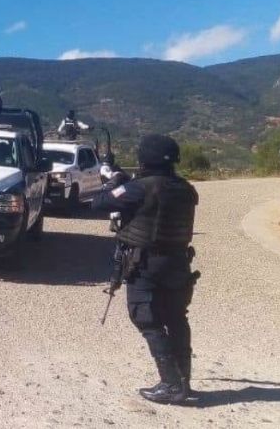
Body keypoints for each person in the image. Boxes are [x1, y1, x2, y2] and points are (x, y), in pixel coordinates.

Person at [92, 134, 200, 404]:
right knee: (176, 318)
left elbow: (99, 204)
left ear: (145, 158)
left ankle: (171, 384)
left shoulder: (140, 187)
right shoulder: (186, 189)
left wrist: (115, 181)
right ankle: (183, 379)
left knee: (146, 318)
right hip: (178, 263)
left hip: (147, 264)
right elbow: (154, 198)